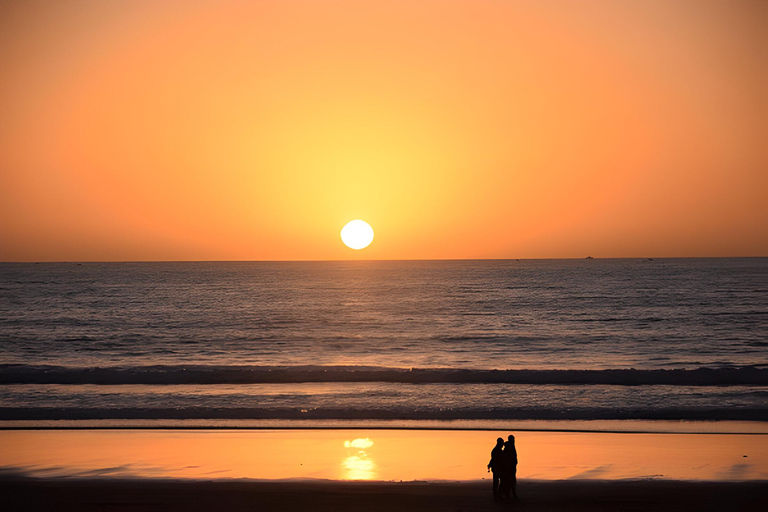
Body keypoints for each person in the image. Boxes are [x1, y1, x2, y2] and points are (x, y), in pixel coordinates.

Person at [500, 434, 518, 500]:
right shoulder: (509, 447)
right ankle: (510, 495)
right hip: (509, 468)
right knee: (510, 482)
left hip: (511, 467)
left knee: (510, 482)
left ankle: (510, 495)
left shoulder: (510, 447)